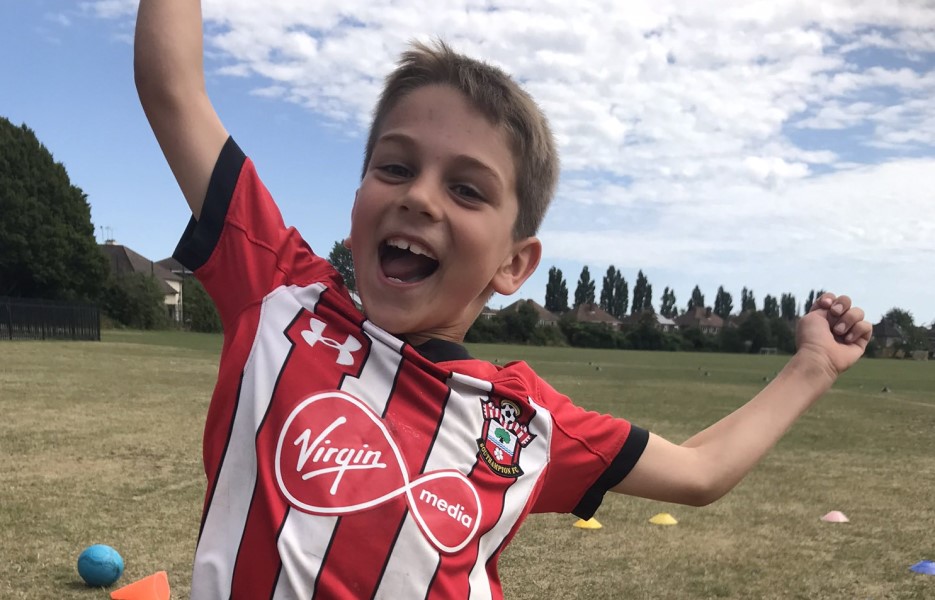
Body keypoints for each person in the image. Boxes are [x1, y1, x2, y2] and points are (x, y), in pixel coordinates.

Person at [134, 2, 872, 598]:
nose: (419, 197)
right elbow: (173, 88)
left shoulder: (524, 423)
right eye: (395, 167)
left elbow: (700, 470)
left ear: (514, 264)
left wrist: (812, 367)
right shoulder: (282, 295)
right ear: (357, 197)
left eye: (465, 189)